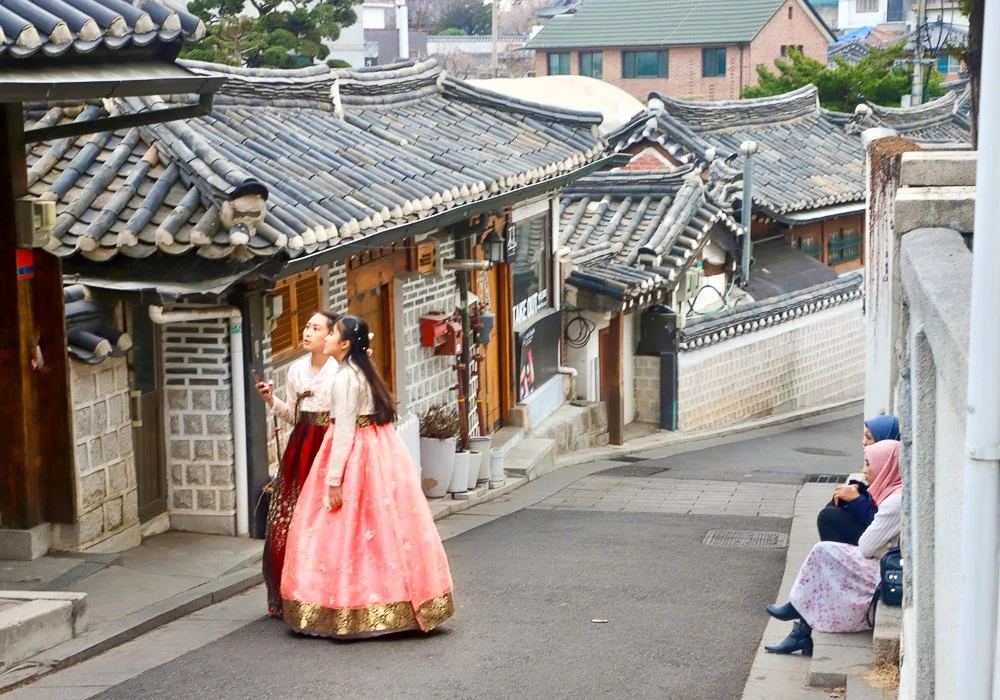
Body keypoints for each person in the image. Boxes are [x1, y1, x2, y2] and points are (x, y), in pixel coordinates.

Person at [280, 315, 454, 639]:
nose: (328, 336)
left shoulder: (345, 378)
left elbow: (344, 431)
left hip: (357, 453)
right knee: (384, 528)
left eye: (332, 332)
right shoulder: (363, 371)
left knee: (342, 530)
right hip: (380, 450)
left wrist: (334, 479)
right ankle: (400, 601)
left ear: (344, 344)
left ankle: (347, 606)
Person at [765, 439, 903, 655]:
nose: (864, 470)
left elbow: (867, 546)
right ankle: (800, 627)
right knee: (828, 541)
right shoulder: (892, 493)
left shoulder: (895, 502)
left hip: (885, 576)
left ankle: (798, 616)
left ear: (885, 465)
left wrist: (858, 501)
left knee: (824, 552)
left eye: (869, 464)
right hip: (887, 567)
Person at [255, 311, 341, 618]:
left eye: (316, 328)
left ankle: (328, 594)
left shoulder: (341, 371)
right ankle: (287, 594)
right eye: (307, 326)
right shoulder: (295, 370)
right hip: (300, 447)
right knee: (288, 518)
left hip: (329, 445)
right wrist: (271, 400)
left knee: (327, 519)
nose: (308, 332)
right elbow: (293, 415)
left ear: (331, 336)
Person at [816, 415, 901, 545]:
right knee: (835, 505)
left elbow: (872, 537)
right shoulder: (889, 476)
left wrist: (856, 499)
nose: (863, 442)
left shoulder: (896, 497)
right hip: (875, 540)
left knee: (828, 517)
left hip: (880, 549)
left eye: (868, 437)